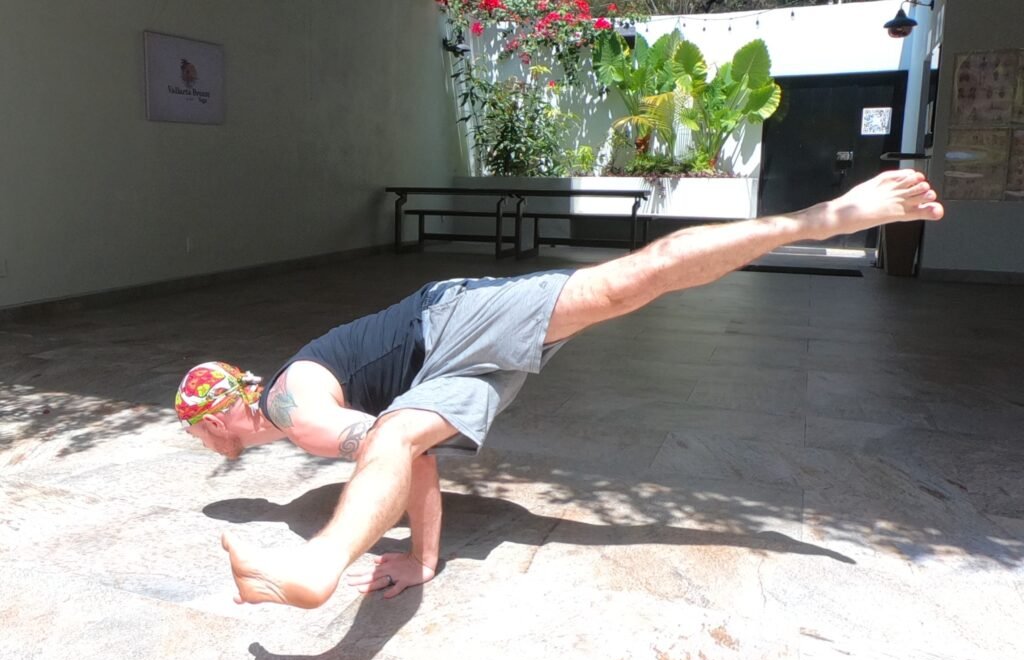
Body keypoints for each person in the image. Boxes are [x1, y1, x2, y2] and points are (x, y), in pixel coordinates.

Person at [175, 169, 944, 609]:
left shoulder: (293, 408)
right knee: (403, 432)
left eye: (197, 432)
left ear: (214, 420)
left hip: (446, 325)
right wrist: (424, 557)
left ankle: (823, 217)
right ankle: (325, 567)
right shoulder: (295, 405)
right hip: (442, 372)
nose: (205, 445)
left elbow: (386, 446)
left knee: (625, 281)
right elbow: (407, 450)